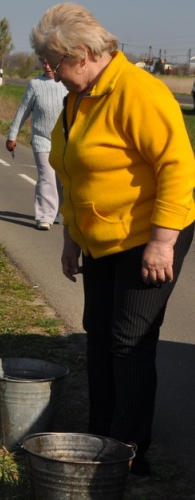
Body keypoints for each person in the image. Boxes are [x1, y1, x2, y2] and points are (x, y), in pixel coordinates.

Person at [31, 2, 195, 477]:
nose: (50, 72)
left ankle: (128, 453)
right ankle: (98, 435)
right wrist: (71, 238)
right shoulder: (76, 99)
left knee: (129, 340)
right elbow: (73, 174)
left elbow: (178, 166)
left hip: (153, 230)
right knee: (99, 335)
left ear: (82, 53)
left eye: (54, 62)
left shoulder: (138, 92)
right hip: (102, 235)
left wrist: (162, 242)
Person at [5, 57, 67, 230]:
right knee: (46, 177)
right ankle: (44, 217)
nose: (47, 66)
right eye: (44, 62)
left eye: (50, 62)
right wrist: (12, 135)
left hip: (64, 141)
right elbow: (22, 111)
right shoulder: (36, 85)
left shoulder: (68, 85)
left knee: (62, 181)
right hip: (41, 139)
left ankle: (57, 211)